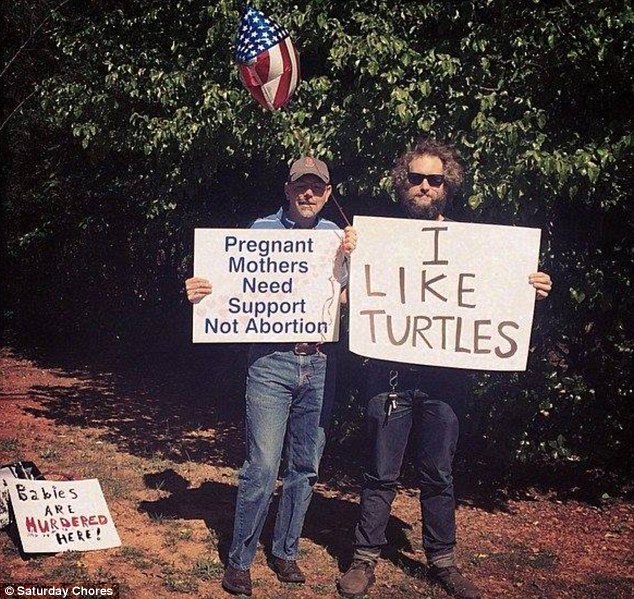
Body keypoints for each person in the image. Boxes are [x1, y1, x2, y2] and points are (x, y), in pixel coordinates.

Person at [337, 138, 552, 599]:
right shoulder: (377, 240)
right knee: (380, 471)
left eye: (434, 179)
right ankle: (365, 558)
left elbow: (495, 295)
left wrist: (526, 288)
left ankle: (443, 561)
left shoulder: (474, 246)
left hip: (445, 380)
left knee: (438, 474)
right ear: (403, 183)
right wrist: (346, 255)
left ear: (447, 185)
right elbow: (346, 296)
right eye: (416, 178)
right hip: (390, 376)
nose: (424, 187)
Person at [186, 156, 357, 597]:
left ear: (327, 193)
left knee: (305, 465)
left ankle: (285, 551)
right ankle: (239, 562)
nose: (308, 194)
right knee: (261, 466)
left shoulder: (338, 238)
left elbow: (362, 297)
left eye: (317, 188)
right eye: (301, 186)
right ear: (287, 189)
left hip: (320, 363)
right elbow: (228, 284)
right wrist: (200, 290)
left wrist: (358, 261)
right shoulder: (260, 231)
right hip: (271, 363)